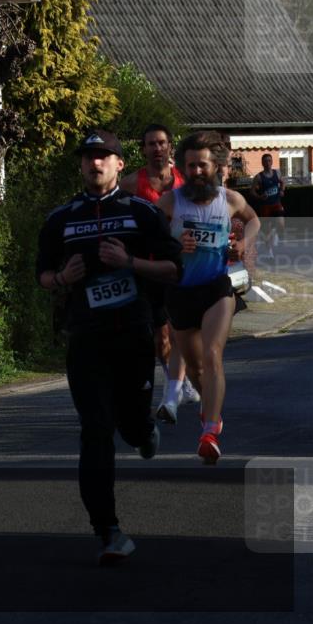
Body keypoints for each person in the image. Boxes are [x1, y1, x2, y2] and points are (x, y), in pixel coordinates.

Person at [37, 129, 182, 565]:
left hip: (133, 336)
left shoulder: (142, 212)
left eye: (104, 156)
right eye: (88, 157)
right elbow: (41, 274)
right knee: (96, 429)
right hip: (86, 339)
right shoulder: (61, 219)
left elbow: (174, 268)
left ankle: (144, 431)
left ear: (120, 164)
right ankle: (108, 531)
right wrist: (62, 278)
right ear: (81, 165)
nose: (95, 163)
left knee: (132, 428)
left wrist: (130, 263)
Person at [156, 131, 260, 465]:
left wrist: (243, 243)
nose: (197, 172)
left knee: (213, 353)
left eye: (203, 165)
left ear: (215, 165)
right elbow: (148, 240)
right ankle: (208, 410)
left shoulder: (229, 199)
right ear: (182, 168)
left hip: (216, 288)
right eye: (191, 166)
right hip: (181, 292)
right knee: (196, 367)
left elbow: (253, 220)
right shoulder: (170, 203)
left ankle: (210, 432)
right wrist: (174, 246)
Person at [118, 124, 200, 422]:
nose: (157, 148)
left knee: (181, 330)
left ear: (170, 147)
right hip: (148, 268)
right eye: (151, 143)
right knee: (161, 337)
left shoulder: (185, 182)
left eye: (162, 143)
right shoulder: (130, 184)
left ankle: (178, 388)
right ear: (143, 149)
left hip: (181, 266)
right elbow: (119, 219)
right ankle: (179, 383)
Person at [250, 153, 286, 256]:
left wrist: (282, 190)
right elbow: (252, 192)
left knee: (281, 224)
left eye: (269, 160)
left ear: (272, 162)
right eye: (265, 161)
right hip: (265, 206)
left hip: (276, 203)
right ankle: (270, 252)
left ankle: (275, 234)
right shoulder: (258, 177)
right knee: (267, 230)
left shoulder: (277, 173)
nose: (267, 163)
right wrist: (260, 197)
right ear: (262, 163)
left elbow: (283, 182)